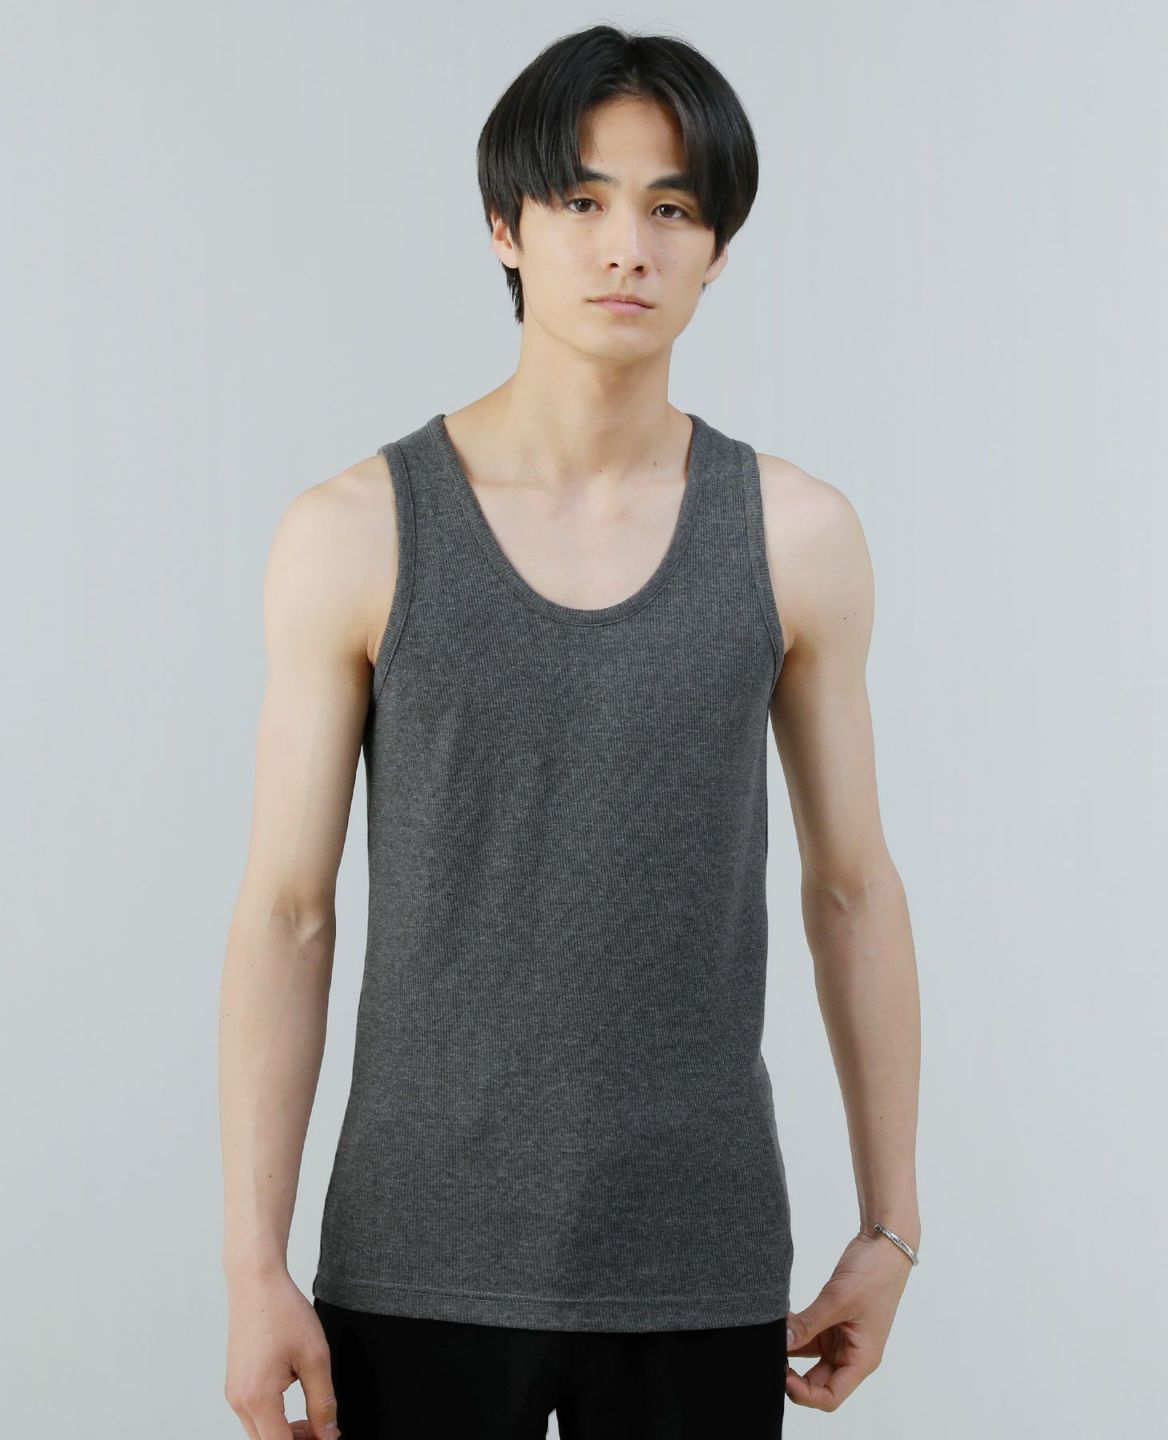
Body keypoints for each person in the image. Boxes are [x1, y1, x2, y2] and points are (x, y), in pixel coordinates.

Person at [219, 23, 921, 1440]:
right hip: (417, 1256)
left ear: (718, 249)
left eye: (671, 209)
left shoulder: (795, 536)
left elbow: (851, 886)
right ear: (506, 226)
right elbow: (290, 913)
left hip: (699, 1260)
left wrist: (889, 1225)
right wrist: (253, 1265)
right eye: (583, 200)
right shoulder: (355, 532)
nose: (626, 249)